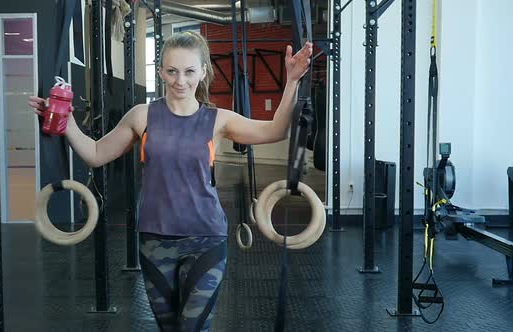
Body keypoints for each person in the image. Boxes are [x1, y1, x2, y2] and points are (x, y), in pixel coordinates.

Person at [29, 31, 312, 332]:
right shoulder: (142, 116)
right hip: (154, 240)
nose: (180, 81)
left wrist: (292, 81)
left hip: (206, 239)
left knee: (192, 328)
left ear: (203, 71)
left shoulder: (218, 119)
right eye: (172, 71)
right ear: (161, 70)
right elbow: (96, 153)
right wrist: (65, 120)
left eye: (190, 71)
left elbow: (275, 131)